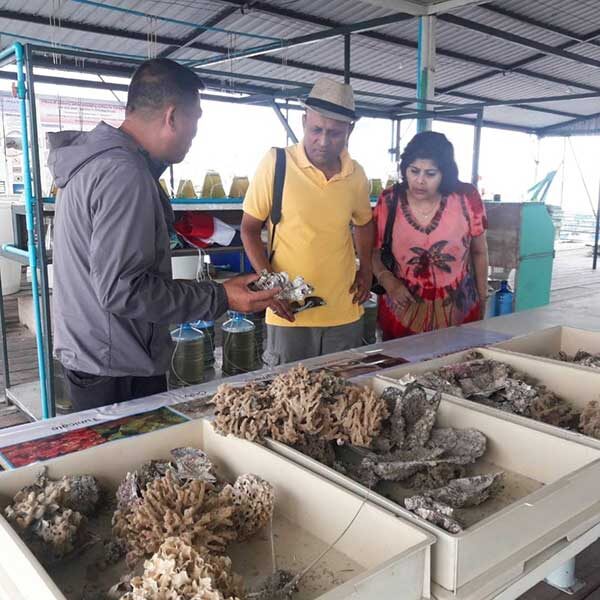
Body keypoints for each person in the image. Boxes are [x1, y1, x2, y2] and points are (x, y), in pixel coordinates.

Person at [48, 58, 279, 412]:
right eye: (194, 122)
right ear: (172, 117)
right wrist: (220, 296)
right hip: (117, 370)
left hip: (93, 355)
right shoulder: (124, 174)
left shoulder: (95, 163)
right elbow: (123, 290)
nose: (194, 136)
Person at [241, 77, 374, 366]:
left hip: (344, 310)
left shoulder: (356, 175)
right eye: (316, 130)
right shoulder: (276, 164)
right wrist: (269, 286)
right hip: (289, 312)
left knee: (344, 388)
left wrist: (366, 270)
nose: (323, 141)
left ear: (350, 130)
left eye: (335, 133)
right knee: (290, 389)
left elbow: (364, 223)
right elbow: (249, 230)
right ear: (304, 122)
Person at [372, 131, 489, 340]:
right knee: (399, 361)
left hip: (459, 312)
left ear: (445, 173)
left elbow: (479, 252)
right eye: (414, 171)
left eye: (430, 174)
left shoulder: (466, 197)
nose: (420, 181)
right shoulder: (389, 200)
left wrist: (482, 299)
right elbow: (372, 252)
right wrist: (387, 280)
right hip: (402, 312)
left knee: (457, 359)